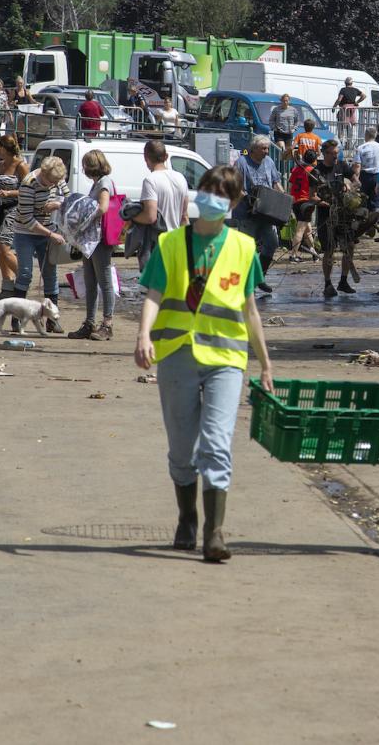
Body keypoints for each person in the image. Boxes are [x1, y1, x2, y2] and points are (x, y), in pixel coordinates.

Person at [135, 165, 274, 561]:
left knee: (216, 443)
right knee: (182, 449)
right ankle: (187, 518)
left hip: (226, 359)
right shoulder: (170, 244)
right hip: (177, 353)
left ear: (233, 203)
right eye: (207, 189)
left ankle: (214, 533)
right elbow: (154, 295)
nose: (211, 197)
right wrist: (144, 335)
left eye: (222, 193)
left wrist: (264, 363)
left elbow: (250, 311)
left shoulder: (244, 248)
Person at [13, 156, 70, 333]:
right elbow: (26, 219)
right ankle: (17, 318)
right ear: (42, 173)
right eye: (48, 181)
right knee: (25, 274)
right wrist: (50, 234)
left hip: (48, 232)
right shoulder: (28, 183)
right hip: (26, 233)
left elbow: (69, 199)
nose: (51, 185)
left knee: (50, 274)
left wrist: (57, 204)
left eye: (55, 182)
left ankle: (52, 320)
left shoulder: (57, 180)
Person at [68, 150, 116, 342]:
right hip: (90, 240)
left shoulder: (104, 183)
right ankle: (89, 322)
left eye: (85, 165)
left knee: (104, 282)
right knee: (90, 281)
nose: (84, 169)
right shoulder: (98, 183)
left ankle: (107, 324)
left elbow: (103, 208)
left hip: (100, 240)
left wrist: (83, 218)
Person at [232, 135, 282, 293]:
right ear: (253, 149)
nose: (266, 152)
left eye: (267, 148)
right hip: (246, 214)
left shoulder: (269, 162)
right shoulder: (241, 163)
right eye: (263, 149)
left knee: (272, 243)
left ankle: (260, 277)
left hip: (266, 213)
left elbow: (275, 182)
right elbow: (234, 186)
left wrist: (284, 199)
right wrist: (247, 199)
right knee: (248, 249)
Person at [130, 140, 189, 269]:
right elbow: (184, 216)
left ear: (146, 158)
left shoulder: (150, 181)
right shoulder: (181, 178)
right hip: (177, 242)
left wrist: (132, 218)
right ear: (166, 156)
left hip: (159, 245)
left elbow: (150, 217)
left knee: (156, 286)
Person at [313, 138, 360, 297]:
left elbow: (356, 180)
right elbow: (311, 196)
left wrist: (350, 186)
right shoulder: (317, 171)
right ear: (325, 153)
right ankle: (327, 283)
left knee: (350, 245)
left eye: (337, 153)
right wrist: (324, 203)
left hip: (343, 213)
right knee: (329, 250)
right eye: (333, 154)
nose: (335, 156)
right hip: (326, 216)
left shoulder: (342, 166)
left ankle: (343, 281)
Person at [0, 134, 28, 300]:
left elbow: (27, 190)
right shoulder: (0, 165)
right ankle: (7, 287)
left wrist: (9, 192)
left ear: (4, 148)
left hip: (14, 210)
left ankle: (25, 277)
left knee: (4, 248)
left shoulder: (21, 165)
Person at [288, 149, 320, 261]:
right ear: (314, 160)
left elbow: (290, 186)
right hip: (306, 202)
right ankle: (293, 255)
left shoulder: (296, 169)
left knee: (307, 230)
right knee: (300, 230)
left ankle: (314, 253)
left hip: (295, 202)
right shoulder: (312, 171)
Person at [353, 126, 379, 212]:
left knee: (364, 198)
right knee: (378, 198)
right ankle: (376, 216)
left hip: (365, 177)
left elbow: (357, 165)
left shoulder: (361, 148)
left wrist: (356, 179)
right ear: (375, 136)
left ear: (366, 135)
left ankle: (366, 217)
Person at [333, 77, 365, 141]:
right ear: (352, 83)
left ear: (345, 83)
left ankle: (341, 142)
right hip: (352, 109)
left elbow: (339, 99)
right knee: (350, 126)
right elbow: (364, 96)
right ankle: (349, 143)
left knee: (341, 126)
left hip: (344, 109)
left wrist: (334, 106)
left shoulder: (343, 90)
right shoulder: (355, 90)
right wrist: (357, 102)